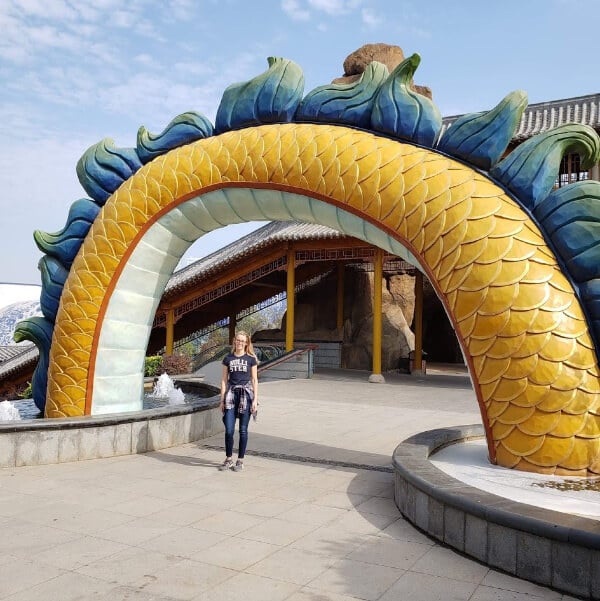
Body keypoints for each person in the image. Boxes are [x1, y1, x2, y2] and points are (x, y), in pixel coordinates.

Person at [219, 330, 258, 471]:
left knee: (243, 430)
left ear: (246, 343)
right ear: (234, 341)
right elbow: (224, 380)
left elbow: (254, 380)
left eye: (243, 341)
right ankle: (228, 458)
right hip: (231, 395)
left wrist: (255, 400)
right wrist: (222, 400)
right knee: (229, 430)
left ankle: (240, 460)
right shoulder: (227, 358)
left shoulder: (251, 359)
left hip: (246, 395)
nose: (240, 342)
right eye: (238, 340)